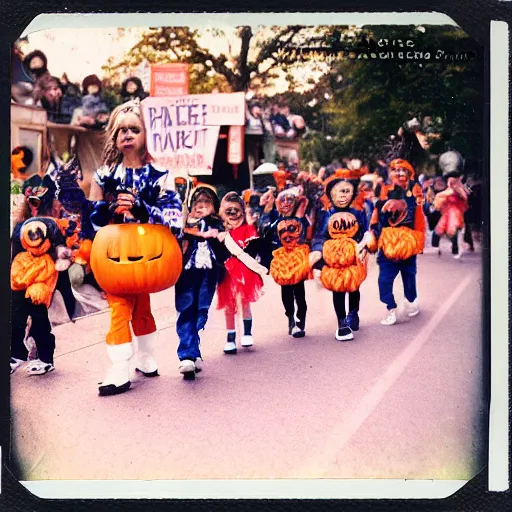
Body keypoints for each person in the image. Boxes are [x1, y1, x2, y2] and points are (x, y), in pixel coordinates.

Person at [88, 99, 183, 396]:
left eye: (134, 129)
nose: (127, 134)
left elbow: (175, 217)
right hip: (113, 252)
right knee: (119, 308)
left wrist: (143, 208)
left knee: (142, 305)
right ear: (115, 138)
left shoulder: (161, 175)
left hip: (149, 250)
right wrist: (109, 210)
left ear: (147, 135)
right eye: (121, 131)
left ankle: (145, 356)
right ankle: (119, 367)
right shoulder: (103, 176)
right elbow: (91, 217)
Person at [310, 169, 375, 341]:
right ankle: (342, 323)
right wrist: (317, 252)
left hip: (353, 257)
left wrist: (364, 245)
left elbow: (364, 232)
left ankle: (353, 313)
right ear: (331, 194)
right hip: (334, 258)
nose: (343, 195)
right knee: (338, 290)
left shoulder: (358, 213)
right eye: (339, 191)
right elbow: (320, 235)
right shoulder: (325, 214)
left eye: (347, 191)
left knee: (353, 287)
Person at [175, 185, 229, 378]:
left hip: (209, 274)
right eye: (198, 202)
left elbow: (225, 251)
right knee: (186, 309)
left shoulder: (217, 224)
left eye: (206, 202)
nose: (201, 206)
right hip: (186, 273)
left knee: (201, 310)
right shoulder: (183, 222)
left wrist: (219, 235)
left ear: (214, 206)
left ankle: (193, 347)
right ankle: (186, 355)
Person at [369, 159, 426, 326]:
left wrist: (418, 240)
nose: (399, 173)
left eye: (403, 170)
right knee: (384, 280)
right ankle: (390, 308)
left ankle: (411, 299)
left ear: (409, 173)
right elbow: (376, 214)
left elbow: (419, 218)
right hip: (387, 243)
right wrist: (372, 232)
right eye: (396, 170)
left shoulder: (416, 191)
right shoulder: (384, 190)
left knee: (409, 276)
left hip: (407, 242)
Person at [216, 192, 266, 354]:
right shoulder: (219, 232)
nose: (233, 216)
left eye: (236, 211)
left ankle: (247, 333)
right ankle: (230, 338)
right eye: (228, 212)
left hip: (244, 271)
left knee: (244, 302)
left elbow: (254, 247)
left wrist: (252, 225)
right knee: (228, 306)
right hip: (226, 273)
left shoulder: (247, 229)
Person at [263, 187, 311, 337]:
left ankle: (300, 322)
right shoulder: (275, 219)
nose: (285, 203)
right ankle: (291, 317)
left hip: (297, 258)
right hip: (282, 259)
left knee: (299, 293)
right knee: (286, 291)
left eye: (289, 200)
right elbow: (265, 233)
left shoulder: (302, 218)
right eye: (282, 200)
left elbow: (309, 232)